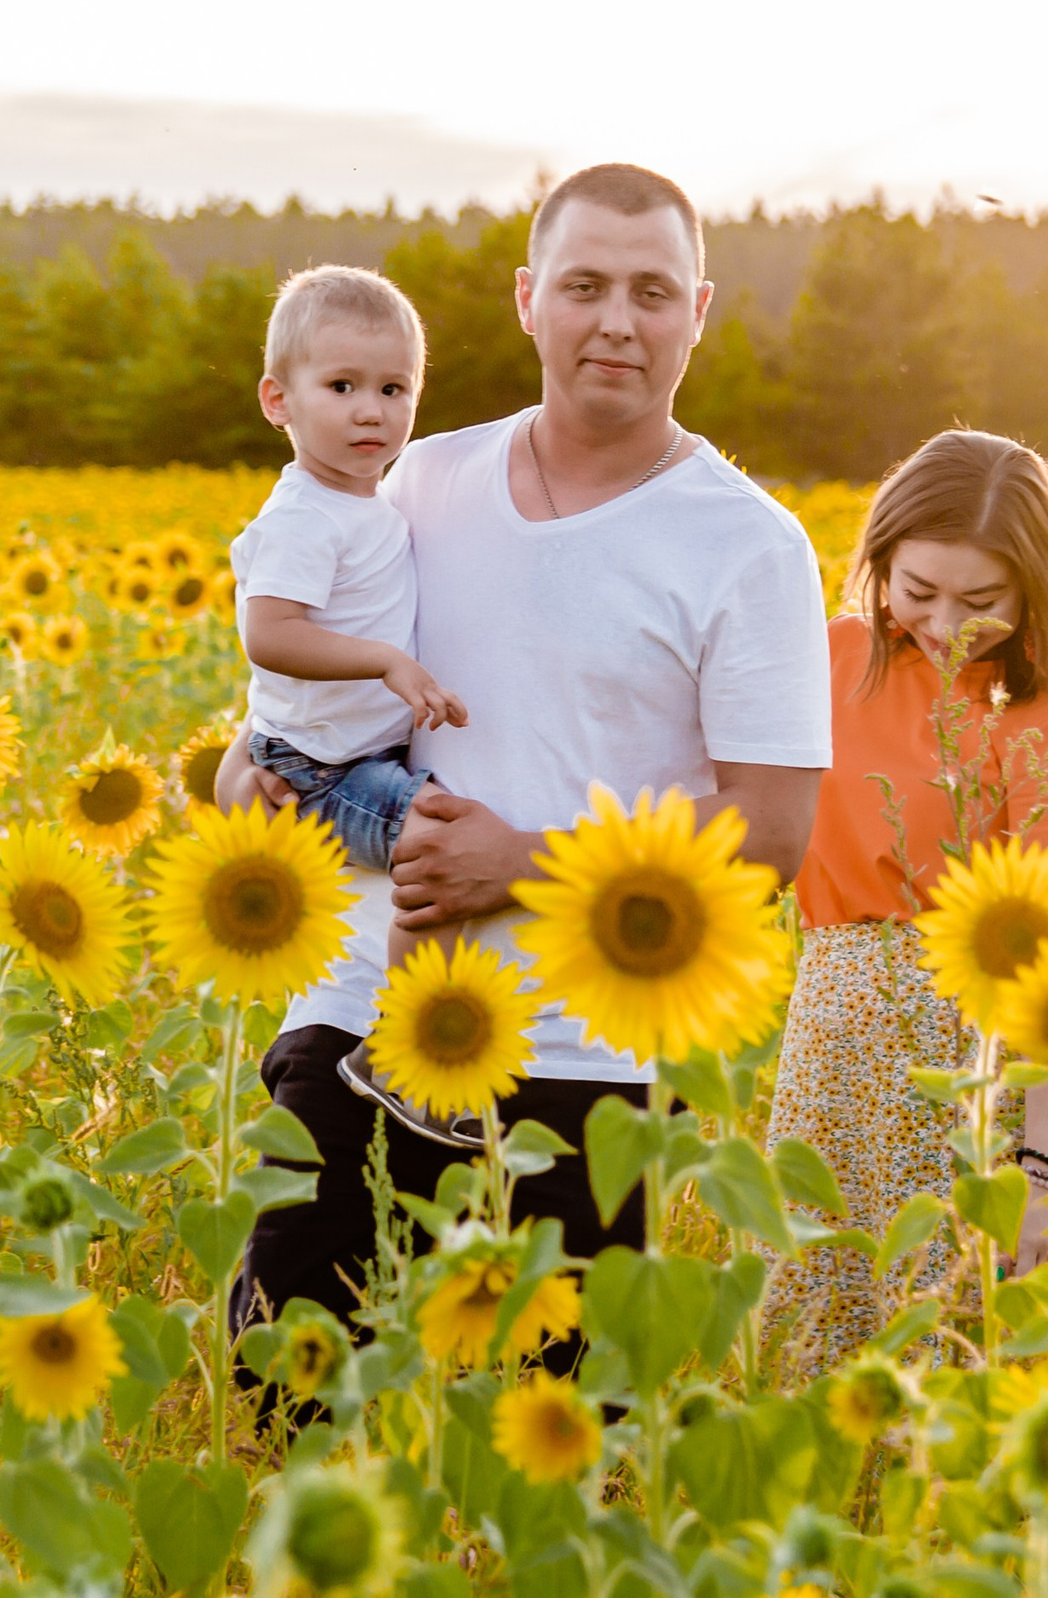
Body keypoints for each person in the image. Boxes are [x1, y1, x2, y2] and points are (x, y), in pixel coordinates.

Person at [220, 165, 832, 1351]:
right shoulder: (421, 474)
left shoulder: (747, 544)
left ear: (697, 311)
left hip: (580, 1060)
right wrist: (242, 774)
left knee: (564, 1449)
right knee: (285, 1401)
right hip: (359, 1023)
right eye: (585, 284)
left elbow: (771, 835)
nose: (616, 319)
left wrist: (523, 863)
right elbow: (312, 681)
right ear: (527, 299)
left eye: (652, 291)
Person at [761, 430, 1048, 1381]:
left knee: (951, 1347)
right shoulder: (831, 657)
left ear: (1035, 588)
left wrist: (1044, 1166)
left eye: (982, 601)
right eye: (917, 592)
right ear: (877, 561)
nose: (946, 623)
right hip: (830, 1046)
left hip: (975, 1069)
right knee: (807, 1338)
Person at [230, 266, 467, 883]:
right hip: (320, 769)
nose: (370, 411)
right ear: (278, 400)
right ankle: (403, 979)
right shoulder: (303, 518)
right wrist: (385, 661)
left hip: (358, 751)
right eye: (342, 386)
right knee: (442, 848)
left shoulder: (369, 503)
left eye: (393, 389)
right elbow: (271, 634)